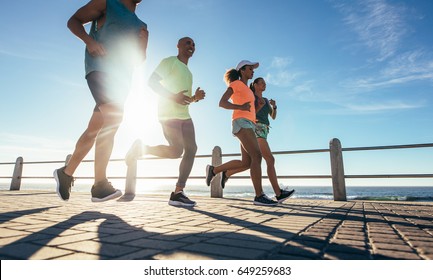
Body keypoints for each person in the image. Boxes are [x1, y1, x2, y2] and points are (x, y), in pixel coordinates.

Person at [53, 0, 148, 202]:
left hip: (122, 80)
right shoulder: (108, 3)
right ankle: (100, 185)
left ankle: (66, 173)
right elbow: (74, 21)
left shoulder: (141, 25)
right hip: (99, 69)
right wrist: (89, 41)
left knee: (95, 128)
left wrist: (143, 43)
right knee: (114, 119)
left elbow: (138, 60)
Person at [126, 37, 205, 207]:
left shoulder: (188, 72)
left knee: (191, 149)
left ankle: (178, 192)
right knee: (176, 151)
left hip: (185, 115)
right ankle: (141, 149)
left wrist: (194, 99)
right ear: (178, 46)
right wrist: (173, 96)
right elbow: (151, 82)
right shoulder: (169, 62)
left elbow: (183, 99)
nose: (191, 46)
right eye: (187, 43)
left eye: (193, 44)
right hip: (168, 114)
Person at [205, 60, 284, 206]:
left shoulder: (247, 89)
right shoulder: (236, 84)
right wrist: (239, 106)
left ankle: (214, 170)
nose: (253, 71)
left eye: (253, 68)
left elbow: (250, 111)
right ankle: (259, 195)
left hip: (250, 124)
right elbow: (222, 102)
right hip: (241, 122)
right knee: (257, 155)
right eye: (250, 68)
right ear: (242, 70)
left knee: (246, 162)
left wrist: (258, 108)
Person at [220, 77, 295, 203]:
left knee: (247, 162)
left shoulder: (265, 100)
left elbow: (273, 117)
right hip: (255, 128)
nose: (264, 85)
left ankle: (225, 173)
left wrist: (274, 107)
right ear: (254, 85)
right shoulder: (251, 96)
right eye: (261, 83)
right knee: (269, 159)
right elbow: (250, 113)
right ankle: (278, 193)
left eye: (265, 83)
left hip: (264, 130)